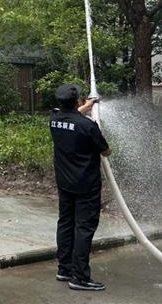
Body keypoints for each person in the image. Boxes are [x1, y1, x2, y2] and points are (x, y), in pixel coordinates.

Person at [50, 84, 111, 292]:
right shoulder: (88, 126)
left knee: (65, 223)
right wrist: (89, 111)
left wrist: (88, 105)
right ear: (76, 101)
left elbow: (71, 117)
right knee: (84, 229)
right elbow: (106, 152)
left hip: (64, 184)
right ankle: (80, 277)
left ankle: (64, 269)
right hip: (86, 186)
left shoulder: (54, 120)